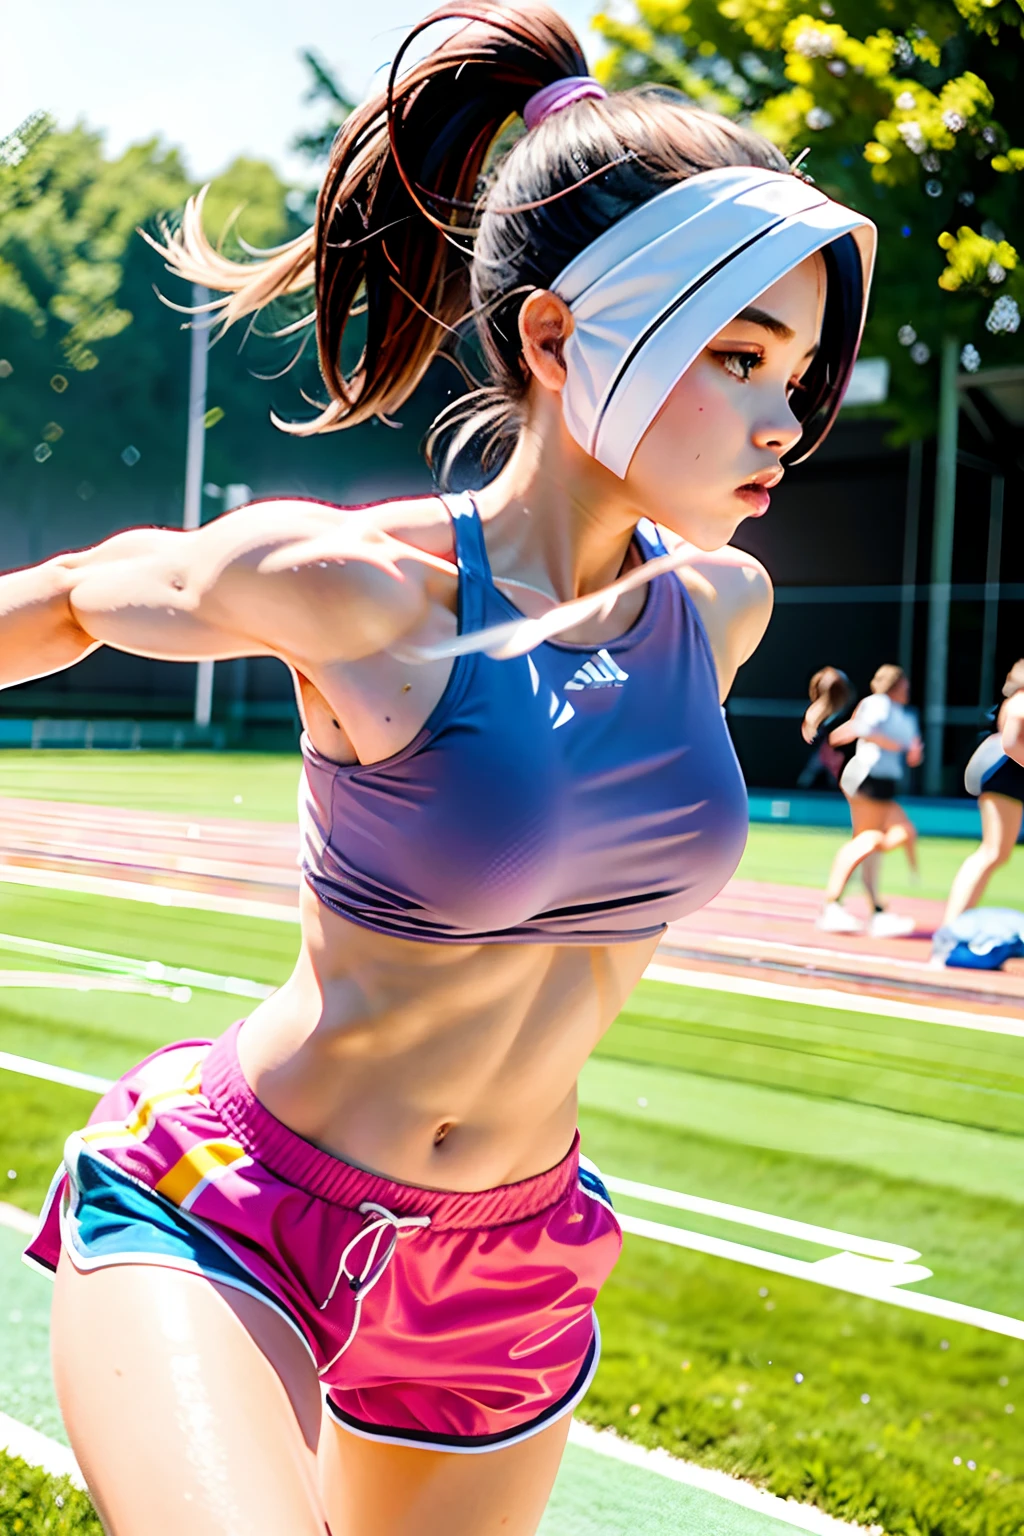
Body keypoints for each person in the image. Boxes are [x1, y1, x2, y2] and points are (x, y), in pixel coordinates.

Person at [10, 6, 876, 1531]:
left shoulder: (720, 612)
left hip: (509, 1259)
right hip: (241, 1210)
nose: (783, 420)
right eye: (738, 357)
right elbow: (89, 590)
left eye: (797, 372)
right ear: (556, 340)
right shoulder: (356, 594)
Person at [817, 664, 922, 936]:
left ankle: (874, 909)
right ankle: (833, 904)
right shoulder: (879, 703)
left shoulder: (901, 713)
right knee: (870, 840)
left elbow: (910, 750)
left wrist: (911, 752)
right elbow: (865, 730)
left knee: (878, 841)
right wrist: (897, 745)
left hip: (881, 782)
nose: (908, 691)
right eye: (905, 686)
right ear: (896, 685)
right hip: (868, 779)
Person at [943, 659, 1024, 925]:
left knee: (996, 853)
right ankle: (953, 923)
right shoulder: (1020, 700)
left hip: (1007, 780)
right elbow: (1011, 744)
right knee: (991, 852)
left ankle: (956, 921)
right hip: (1005, 779)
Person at [798, 666, 854, 790]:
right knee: (809, 775)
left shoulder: (846, 712)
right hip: (826, 752)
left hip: (837, 753)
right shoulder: (816, 714)